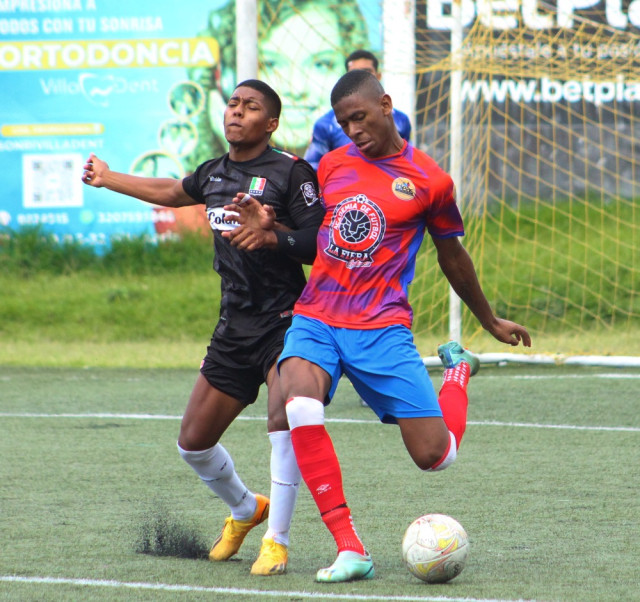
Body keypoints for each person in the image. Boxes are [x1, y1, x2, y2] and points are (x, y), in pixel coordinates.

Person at [269, 70, 531, 582]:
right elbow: (310, 237)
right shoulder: (331, 165)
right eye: (344, 122)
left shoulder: (430, 180)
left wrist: (489, 319)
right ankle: (350, 548)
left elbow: (452, 254)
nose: (353, 130)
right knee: (297, 401)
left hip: (381, 327)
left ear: (386, 105)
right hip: (317, 315)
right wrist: (272, 231)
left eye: (360, 117)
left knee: (435, 457)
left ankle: (457, 374)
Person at [81, 79, 325, 576]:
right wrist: (108, 178)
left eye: (251, 106)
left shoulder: (292, 172)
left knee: (285, 422)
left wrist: (273, 234)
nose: (237, 112)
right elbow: (173, 191)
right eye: (233, 103)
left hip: (287, 322)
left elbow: (320, 244)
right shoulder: (214, 172)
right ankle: (245, 509)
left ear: (271, 122)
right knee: (192, 443)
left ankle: (276, 542)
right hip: (234, 327)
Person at [186, 0, 370, 169]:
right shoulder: (199, 180)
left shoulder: (369, 153)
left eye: (321, 64)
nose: (296, 88)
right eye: (271, 65)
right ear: (224, 80)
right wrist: (236, 144)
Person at [304, 49, 412, 171]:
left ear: (378, 76)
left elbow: (409, 161)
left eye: (367, 72)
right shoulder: (325, 124)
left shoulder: (401, 120)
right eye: (354, 74)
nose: (353, 131)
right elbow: (312, 168)